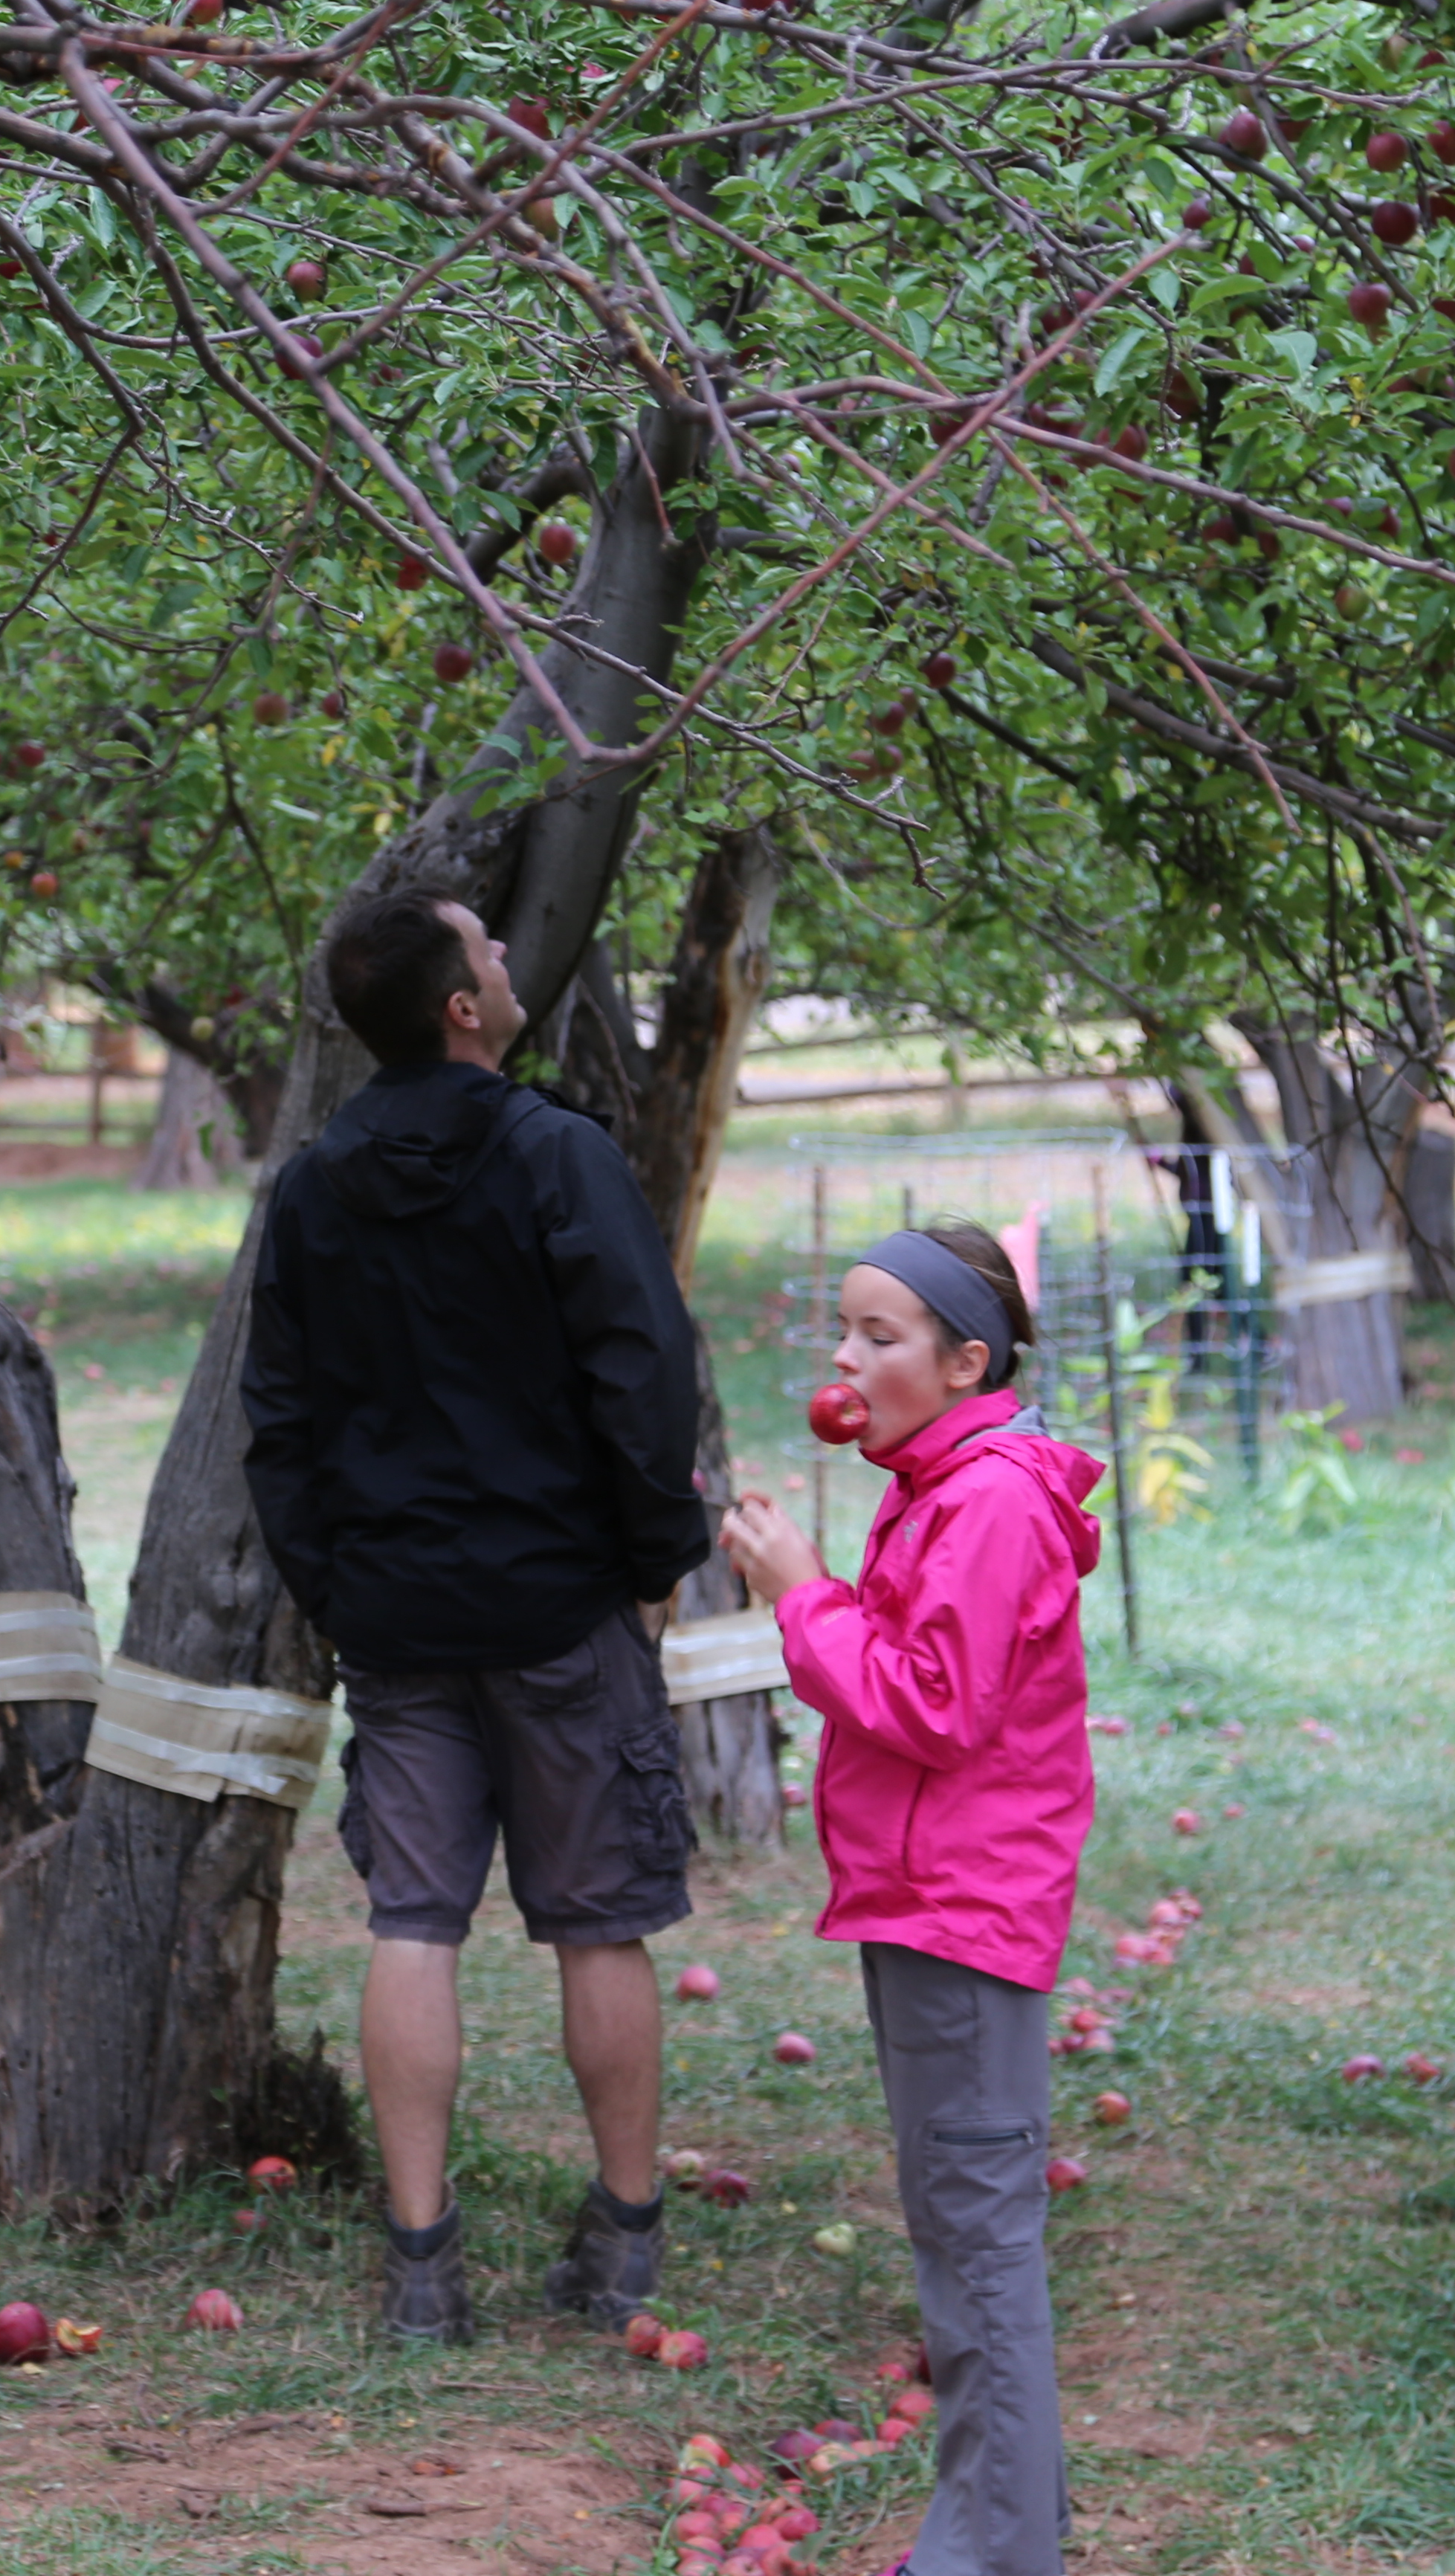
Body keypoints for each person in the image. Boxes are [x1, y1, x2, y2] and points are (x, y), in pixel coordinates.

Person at [245, 886, 714, 2346]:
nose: (513, 960)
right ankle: (624, 2239)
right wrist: (655, 1558)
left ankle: (422, 2270)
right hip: (562, 1606)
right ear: (462, 1008)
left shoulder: (314, 1187)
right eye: (492, 951)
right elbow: (644, 1372)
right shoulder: (558, 1159)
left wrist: (336, 1585)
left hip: (395, 1620)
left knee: (414, 1923)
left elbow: (279, 1420)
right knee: (599, 1924)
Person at [720, 1220, 1100, 2576]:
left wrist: (801, 1597)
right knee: (962, 2216)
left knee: (975, 2230)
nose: (844, 1357)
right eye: (848, 1329)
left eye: (879, 1336)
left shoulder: (986, 1500)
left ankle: (994, 2555)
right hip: (927, 1897)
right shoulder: (940, 1481)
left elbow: (933, 1708)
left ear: (964, 1360)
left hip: (962, 1907)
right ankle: (1015, 2520)